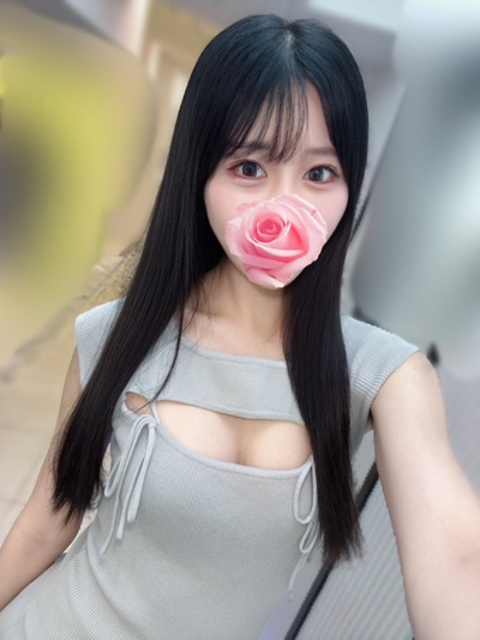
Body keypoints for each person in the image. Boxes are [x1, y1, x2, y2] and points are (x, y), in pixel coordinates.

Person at [0, 13, 479, 640]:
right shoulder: (118, 335)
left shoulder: (381, 375)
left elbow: (457, 559)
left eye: (319, 174)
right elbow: (46, 523)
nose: (284, 206)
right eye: (250, 168)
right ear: (200, 172)